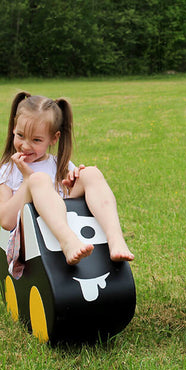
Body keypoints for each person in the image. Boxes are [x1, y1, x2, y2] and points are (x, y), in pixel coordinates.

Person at [0, 92, 134, 277]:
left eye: (36, 140)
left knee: (91, 173)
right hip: (29, 243)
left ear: (53, 139)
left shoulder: (60, 165)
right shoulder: (8, 171)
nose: (25, 145)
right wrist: (28, 180)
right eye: (21, 135)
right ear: (14, 129)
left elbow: (68, 202)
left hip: (66, 226)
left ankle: (115, 239)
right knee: (39, 179)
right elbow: (6, 221)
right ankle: (68, 241)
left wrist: (73, 184)